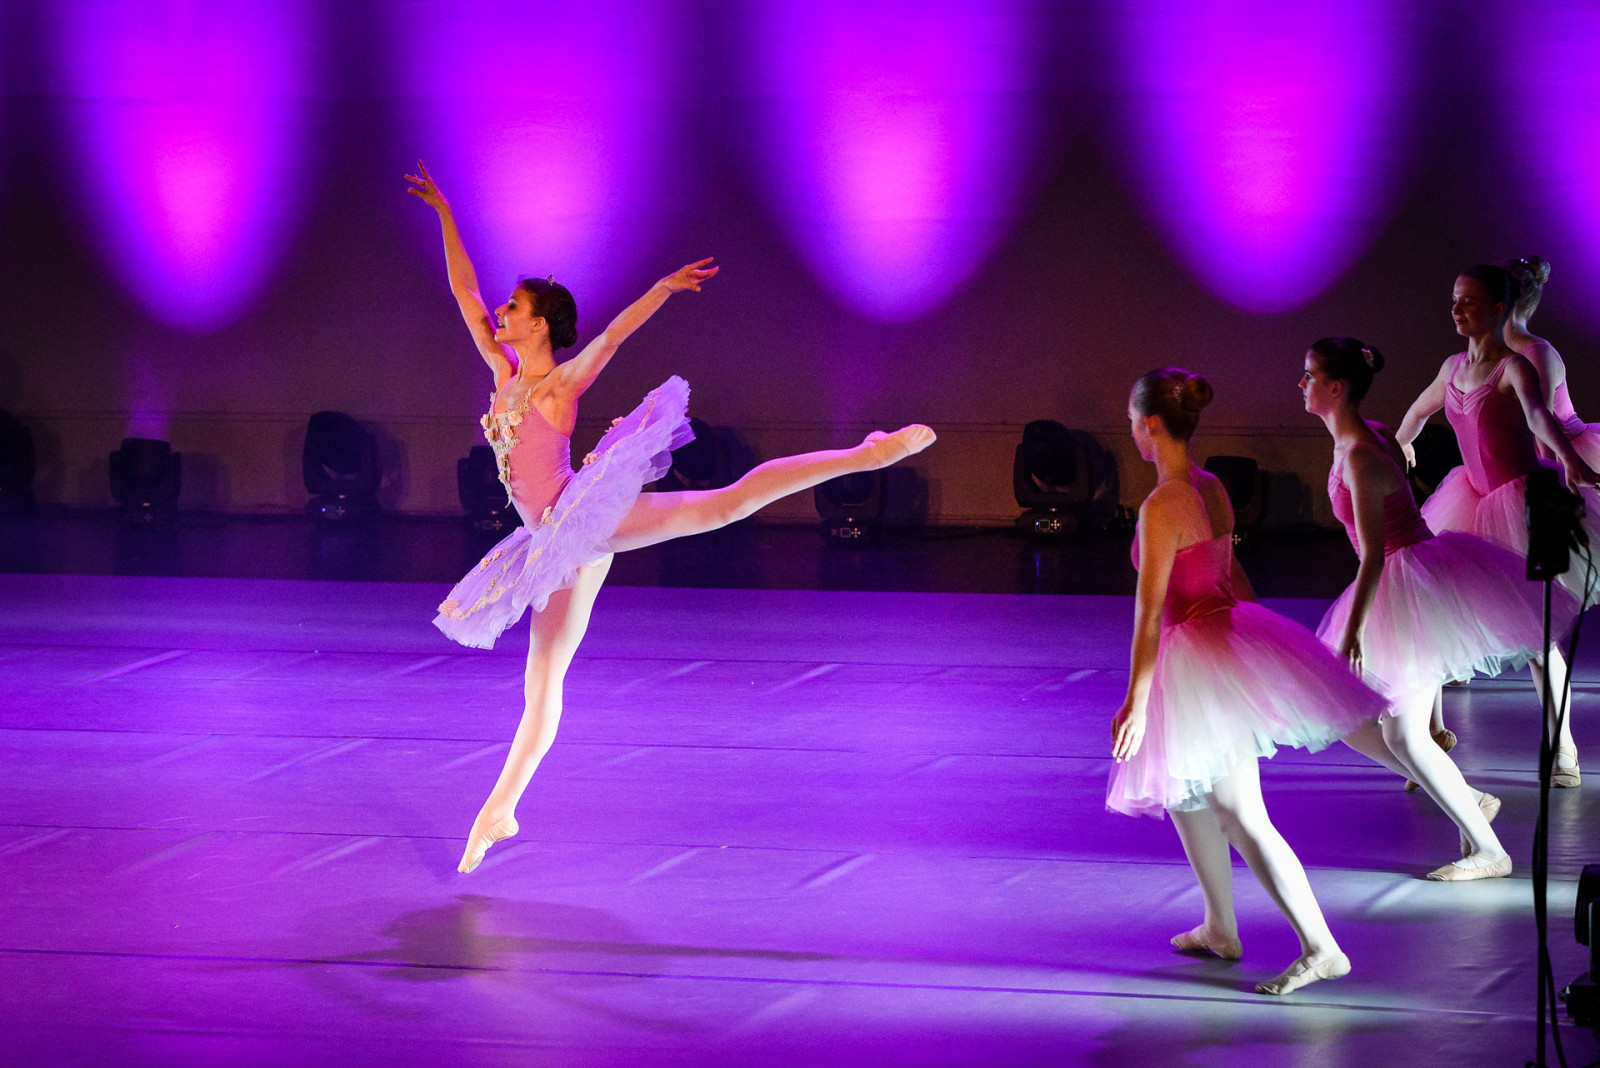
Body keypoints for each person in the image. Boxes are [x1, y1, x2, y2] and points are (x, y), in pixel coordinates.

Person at [406, 163, 936, 872]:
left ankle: (865, 454)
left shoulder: (559, 387)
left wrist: (660, 288)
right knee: (542, 683)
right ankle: (500, 810)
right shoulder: (502, 374)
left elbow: (612, 337)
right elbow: (463, 292)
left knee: (725, 504)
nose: (501, 311)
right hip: (549, 545)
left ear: (539, 324)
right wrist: (444, 212)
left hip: (580, 517)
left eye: (515, 305)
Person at [1108, 367, 1387, 995]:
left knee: (1239, 811)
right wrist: (1261, 653)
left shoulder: (1161, 505)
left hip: (1197, 655)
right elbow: (1231, 578)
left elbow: (1149, 614)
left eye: (1131, 422)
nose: (1131, 432)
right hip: (1217, 645)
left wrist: (1136, 701)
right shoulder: (1211, 488)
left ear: (1149, 425)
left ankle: (1321, 948)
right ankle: (1219, 926)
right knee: (1186, 794)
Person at [1302, 337, 1576, 877]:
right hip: (1409, 581)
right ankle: (1467, 797)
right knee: (1346, 716)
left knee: (1403, 733)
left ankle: (1489, 852)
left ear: (1335, 387)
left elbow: (1374, 555)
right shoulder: (1367, 437)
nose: (1301, 384)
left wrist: (1354, 630)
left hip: (1409, 588)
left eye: (1309, 375)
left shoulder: (1360, 456)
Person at [1396, 265, 1595, 787]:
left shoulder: (1516, 367)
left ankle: (1564, 746)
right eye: (1455, 299)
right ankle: (1432, 737)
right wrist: (1400, 444)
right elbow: (1417, 411)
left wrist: (1570, 462)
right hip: (1468, 502)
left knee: (1538, 638)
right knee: (1434, 613)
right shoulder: (1451, 367)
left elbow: (1540, 418)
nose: (1456, 309)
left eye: (1468, 301)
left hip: (1522, 509)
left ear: (1498, 309)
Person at [1502, 255, 1600, 469]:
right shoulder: (1499, 353)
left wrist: (1552, 479)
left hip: (1566, 456)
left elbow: (1543, 424)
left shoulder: (1536, 352)